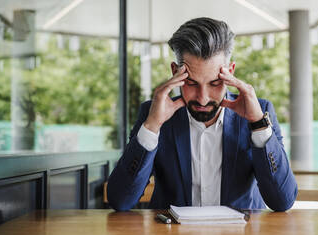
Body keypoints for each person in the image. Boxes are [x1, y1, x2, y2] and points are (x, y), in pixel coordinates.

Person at [107, 17, 298, 211]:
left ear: (230, 72)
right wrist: (151, 127)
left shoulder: (260, 112)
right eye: (191, 83)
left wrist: (258, 125)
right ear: (175, 72)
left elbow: (282, 201)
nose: (203, 98)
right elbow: (120, 200)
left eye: (215, 83)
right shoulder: (153, 114)